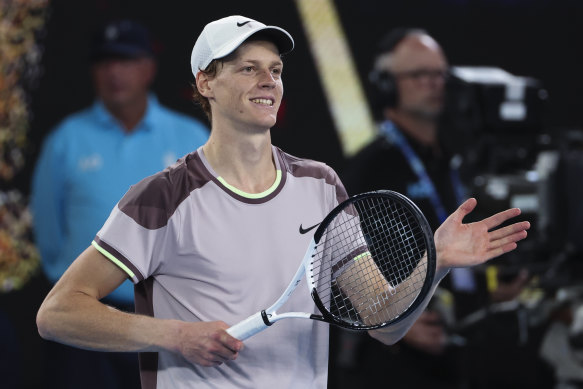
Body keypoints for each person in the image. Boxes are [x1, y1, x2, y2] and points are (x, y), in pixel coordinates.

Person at [35, 15, 530, 389]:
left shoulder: (321, 185)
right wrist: (175, 336)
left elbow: (381, 321)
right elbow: (57, 313)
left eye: (274, 69)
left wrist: (435, 261)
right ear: (205, 82)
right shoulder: (161, 197)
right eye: (247, 69)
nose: (268, 80)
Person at [332, 28, 533, 389]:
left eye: (439, 74)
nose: (433, 83)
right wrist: (393, 322)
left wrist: (488, 293)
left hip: (458, 354)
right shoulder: (368, 169)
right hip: (392, 364)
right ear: (386, 86)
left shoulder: (456, 161)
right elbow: (338, 263)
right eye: (419, 74)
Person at [30, 19, 209, 389]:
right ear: (93, 71)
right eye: (105, 62)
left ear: (148, 68)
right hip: (87, 323)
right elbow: (48, 231)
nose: (115, 72)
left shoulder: (192, 137)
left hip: (172, 321)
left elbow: (213, 224)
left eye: (126, 61)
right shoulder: (66, 140)